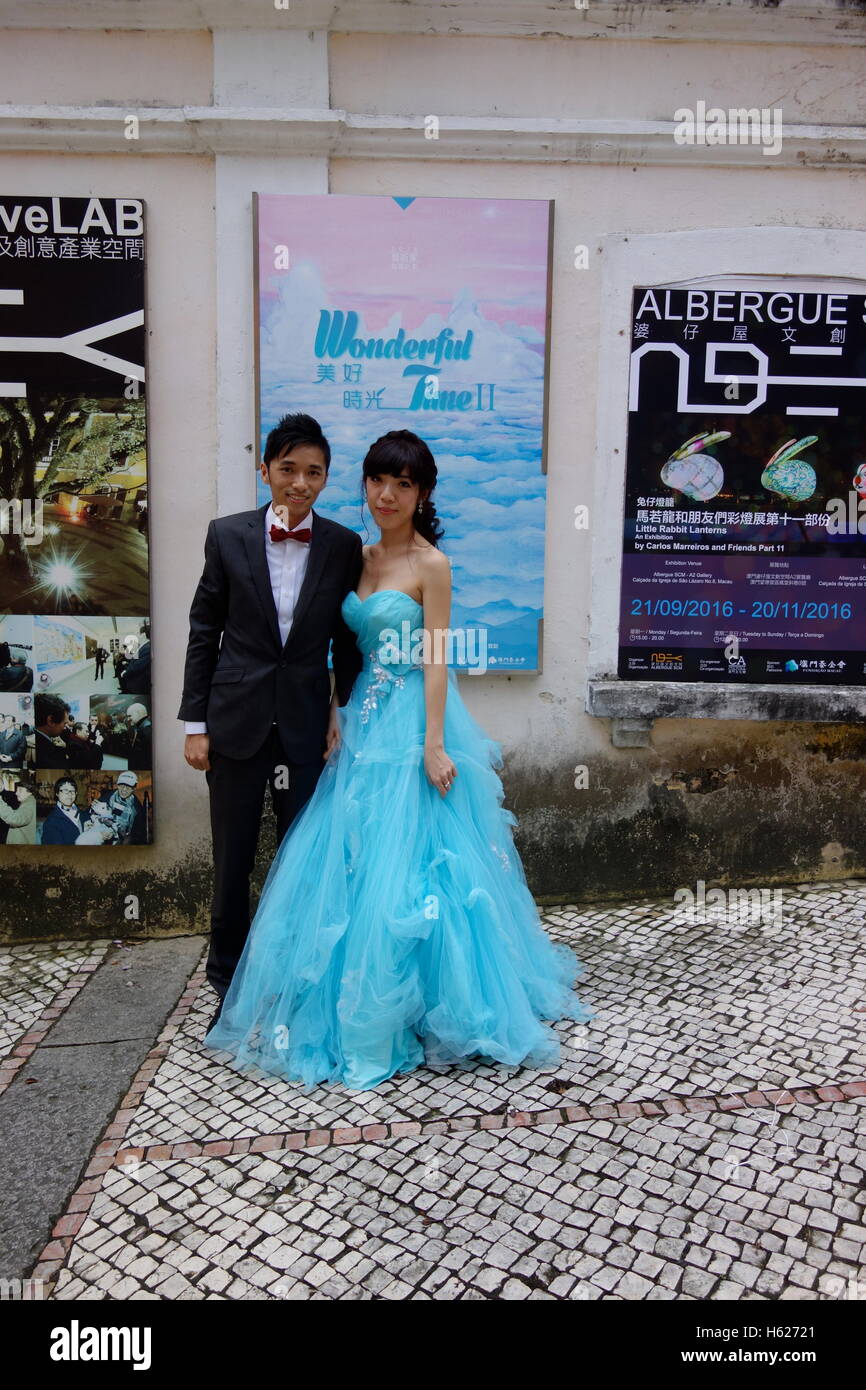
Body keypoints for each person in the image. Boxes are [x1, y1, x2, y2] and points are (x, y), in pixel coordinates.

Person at [205, 429, 593, 1092]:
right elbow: (343, 648)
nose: (387, 494)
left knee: (420, 865)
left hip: (412, 719)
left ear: (423, 493)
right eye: (379, 481)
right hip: (362, 722)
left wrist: (434, 744)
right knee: (351, 858)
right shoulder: (356, 557)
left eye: (404, 484)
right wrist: (334, 708)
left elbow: (435, 657)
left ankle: (426, 1004)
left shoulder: (430, 565)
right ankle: (336, 993)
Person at [178, 412, 364, 1028]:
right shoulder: (226, 535)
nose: (300, 483)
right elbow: (204, 629)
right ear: (266, 471)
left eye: (314, 472)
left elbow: (347, 638)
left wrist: (340, 705)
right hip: (235, 720)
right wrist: (194, 723)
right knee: (232, 856)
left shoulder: (341, 545)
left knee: (299, 855)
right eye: (288, 469)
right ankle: (227, 974)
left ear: (326, 479)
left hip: (306, 725)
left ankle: (291, 971)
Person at [40, 775, 85, 844]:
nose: (70, 794)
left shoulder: (83, 814)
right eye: (65, 790)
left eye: (72, 791)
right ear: (57, 793)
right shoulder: (52, 822)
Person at [0, 777, 37, 844]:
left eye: (20, 790)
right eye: (17, 790)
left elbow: (15, 819)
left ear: (30, 792)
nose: (16, 793)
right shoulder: (28, 802)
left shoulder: (29, 805)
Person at [126, 702, 152, 770]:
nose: (128, 719)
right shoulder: (143, 728)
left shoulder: (146, 731)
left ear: (137, 713)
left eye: (129, 716)